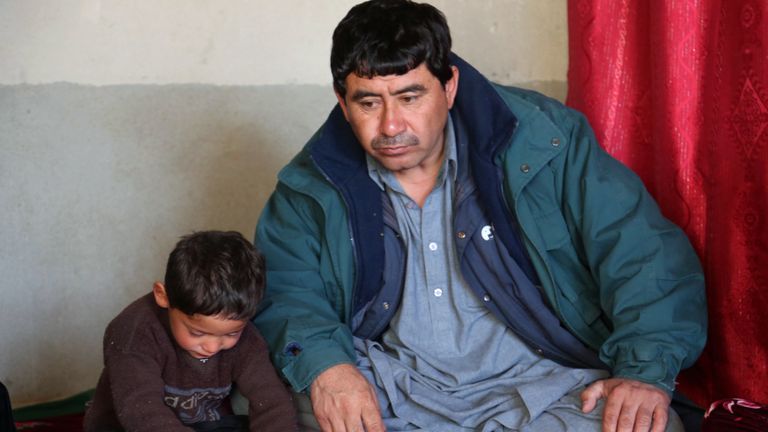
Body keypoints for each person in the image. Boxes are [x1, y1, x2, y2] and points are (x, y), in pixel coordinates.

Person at [253, 1, 707, 431]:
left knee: (648, 421)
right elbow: (288, 292)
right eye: (369, 103)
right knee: (283, 399)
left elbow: (642, 253)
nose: (391, 125)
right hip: (395, 389)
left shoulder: (544, 141)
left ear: (449, 87)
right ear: (342, 102)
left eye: (410, 97)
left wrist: (642, 372)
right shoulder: (312, 182)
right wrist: (329, 370)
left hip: (545, 385)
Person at [84, 231, 298, 432]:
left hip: (204, 423)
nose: (212, 347)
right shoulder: (135, 332)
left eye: (231, 334)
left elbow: (272, 402)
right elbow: (140, 409)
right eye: (197, 333)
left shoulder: (248, 340)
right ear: (163, 296)